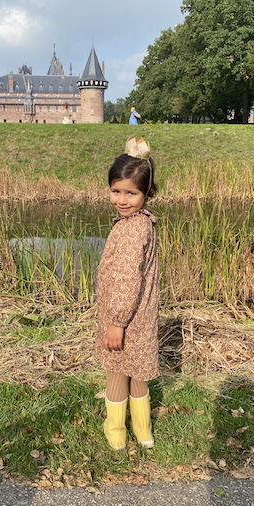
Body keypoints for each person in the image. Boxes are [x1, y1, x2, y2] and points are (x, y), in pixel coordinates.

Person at [96, 136, 159, 450]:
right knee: (139, 374)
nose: (122, 200)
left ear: (146, 193)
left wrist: (116, 322)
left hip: (125, 320)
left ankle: (116, 432)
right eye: (116, 191)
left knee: (117, 373)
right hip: (143, 319)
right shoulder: (144, 223)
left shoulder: (130, 229)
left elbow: (126, 280)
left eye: (131, 193)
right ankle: (144, 433)